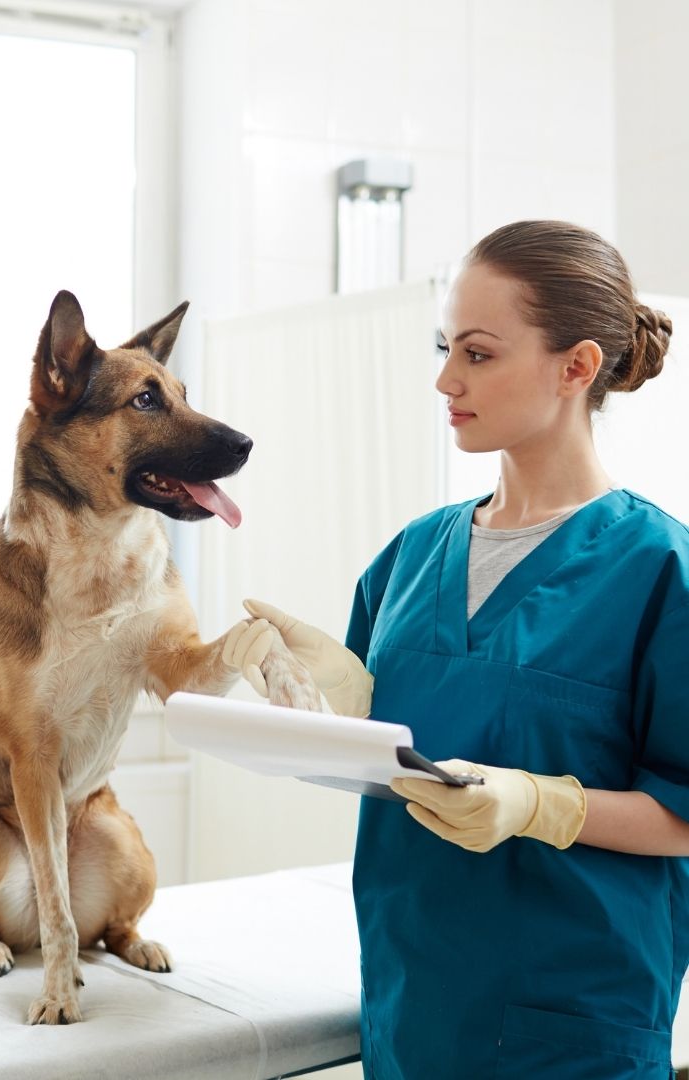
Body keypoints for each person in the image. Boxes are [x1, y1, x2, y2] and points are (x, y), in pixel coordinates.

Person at [223, 220, 689, 1079]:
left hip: (572, 1030)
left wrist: (545, 804)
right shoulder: (411, 556)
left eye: (477, 353)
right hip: (413, 1009)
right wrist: (343, 708)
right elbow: (397, 760)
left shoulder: (658, 568)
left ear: (576, 367)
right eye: (445, 347)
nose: (445, 379)